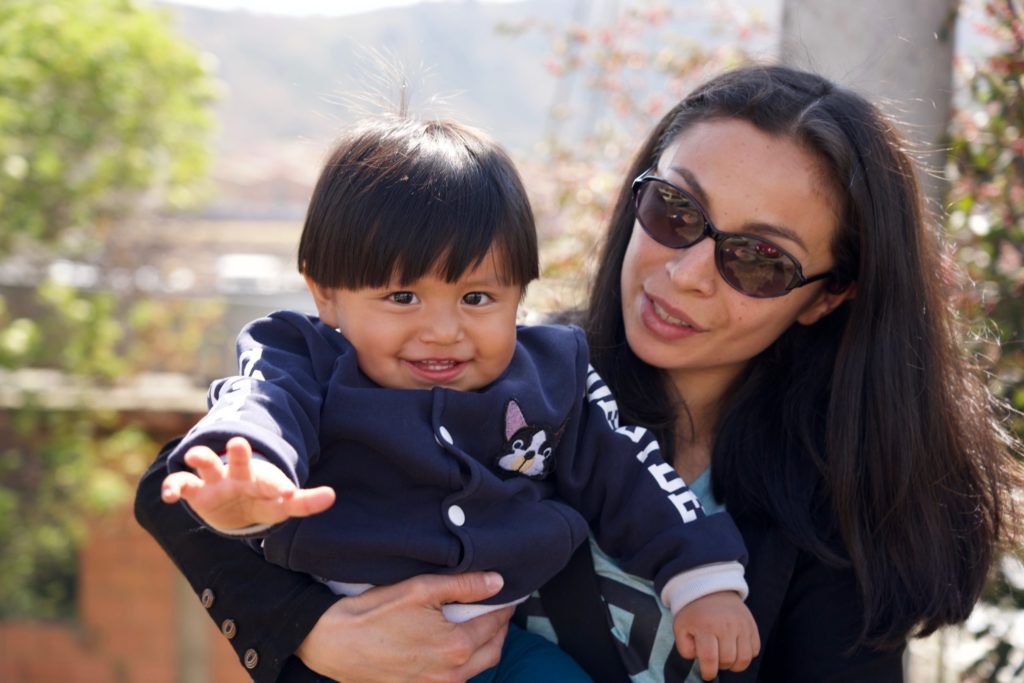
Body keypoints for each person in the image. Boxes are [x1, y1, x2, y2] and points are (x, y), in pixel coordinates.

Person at [134, 64, 1023, 682]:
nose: (684, 271)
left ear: (829, 297)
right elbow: (180, 489)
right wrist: (315, 634)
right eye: (675, 211)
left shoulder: (844, 502)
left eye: (757, 260)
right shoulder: (510, 369)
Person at [156, 116, 759, 682]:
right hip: (353, 658)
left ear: (521, 293)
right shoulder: (304, 360)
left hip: (500, 652)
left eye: (476, 298)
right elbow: (258, 407)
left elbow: (630, 472)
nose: (444, 330)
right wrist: (250, 478)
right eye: (402, 298)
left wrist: (703, 581)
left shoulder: (553, 375)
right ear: (328, 294)